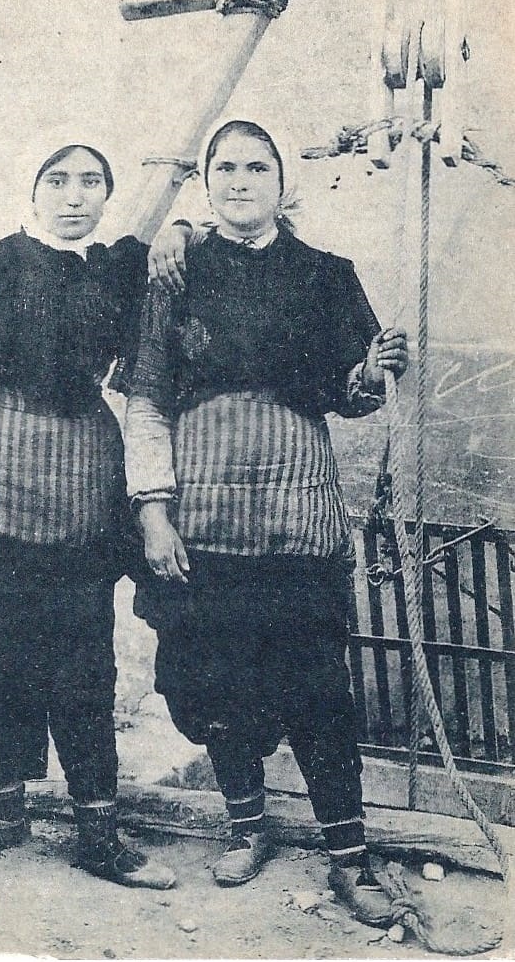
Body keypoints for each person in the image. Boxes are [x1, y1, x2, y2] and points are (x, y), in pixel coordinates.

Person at [124, 119, 409, 925]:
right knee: (213, 679)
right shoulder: (176, 270)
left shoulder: (326, 274)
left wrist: (371, 368)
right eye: (225, 167)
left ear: (282, 181)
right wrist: (155, 512)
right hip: (202, 519)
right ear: (207, 180)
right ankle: (246, 827)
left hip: (296, 519)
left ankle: (349, 857)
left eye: (257, 166)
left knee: (318, 688)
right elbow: (145, 399)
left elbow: (351, 393)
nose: (240, 180)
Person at [0, 140, 187, 889]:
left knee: (84, 663)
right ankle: (2, 810)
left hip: (81, 500)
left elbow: (154, 354)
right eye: (58, 179)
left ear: (108, 194)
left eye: (92, 181)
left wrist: (181, 229)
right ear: (34, 190)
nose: (74, 195)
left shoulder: (123, 270)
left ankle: (99, 833)